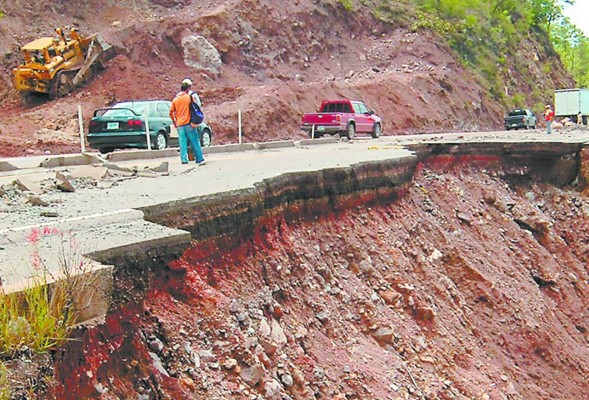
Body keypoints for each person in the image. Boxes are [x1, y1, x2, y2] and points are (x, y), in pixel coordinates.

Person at [169, 82, 205, 165]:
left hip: (179, 125)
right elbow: (196, 107)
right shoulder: (189, 98)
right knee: (195, 141)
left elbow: (171, 112)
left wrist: (174, 121)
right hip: (189, 124)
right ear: (188, 89)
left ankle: (184, 159)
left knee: (182, 143)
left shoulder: (175, 100)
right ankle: (199, 158)